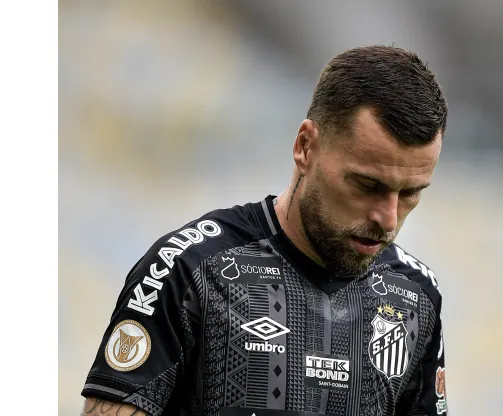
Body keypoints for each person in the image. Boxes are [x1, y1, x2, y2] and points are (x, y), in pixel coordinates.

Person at [81, 45, 449, 416]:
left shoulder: (414, 294)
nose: (387, 218)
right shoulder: (188, 271)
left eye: (410, 193)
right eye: (367, 185)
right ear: (306, 146)